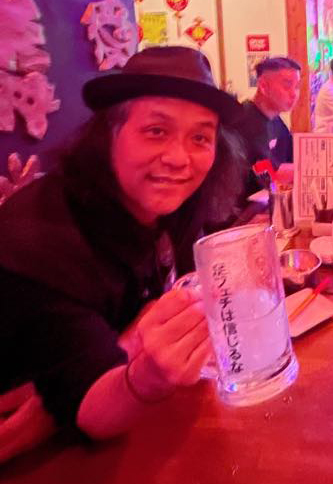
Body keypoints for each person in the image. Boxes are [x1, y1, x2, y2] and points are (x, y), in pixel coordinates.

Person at [0, 46, 245, 462]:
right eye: (156, 131)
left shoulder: (172, 205)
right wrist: (147, 372)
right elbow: (93, 413)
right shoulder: (44, 242)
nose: (179, 158)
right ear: (109, 133)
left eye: (200, 138)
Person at [233, 56, 300, 192]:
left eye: (297, 86)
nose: (294, 94)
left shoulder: (276, 120)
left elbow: (294, 156)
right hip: (249, 202)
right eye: (287, 86)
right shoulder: (243, 120)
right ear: (263, 86)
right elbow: (270, 174)